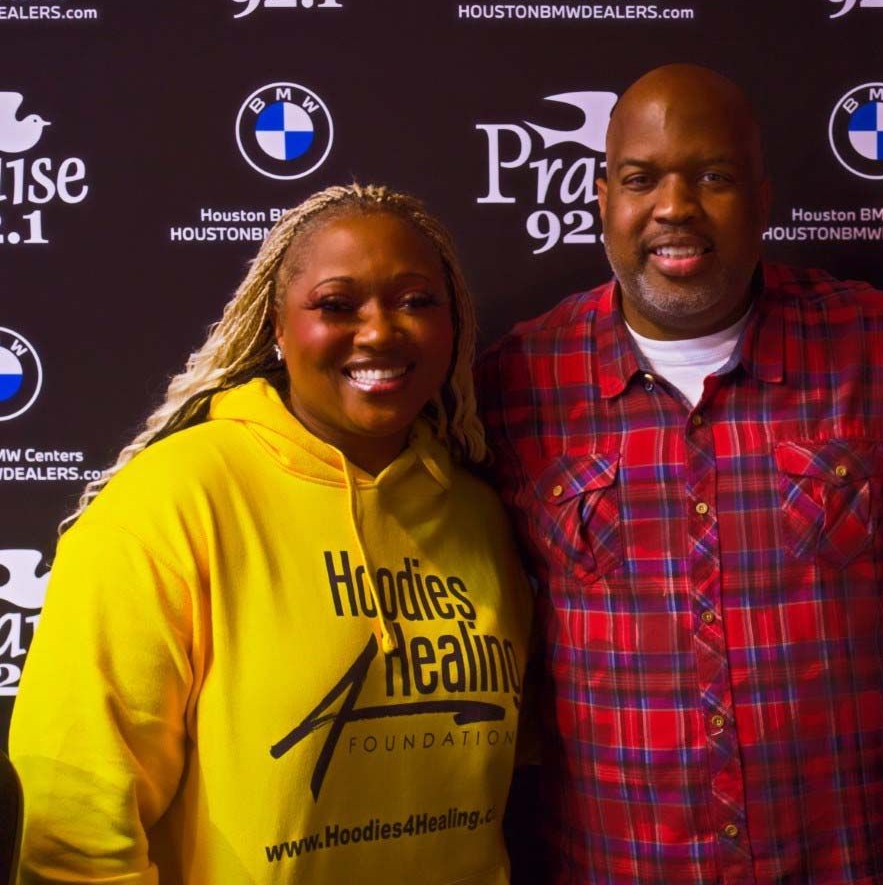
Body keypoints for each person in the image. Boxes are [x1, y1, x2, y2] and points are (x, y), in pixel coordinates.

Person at [479, 63, 883, 883]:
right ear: (600, 197)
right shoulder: (518, 383)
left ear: (764, 201)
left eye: (713, 177)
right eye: (640, 179)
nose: (674, 207)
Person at [10, 186, 531, 885]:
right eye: (337, 305)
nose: (379, 332)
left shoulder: (477, 514)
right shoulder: (171, 501)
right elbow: (73, 821)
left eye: (415, 301)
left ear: (455, 323)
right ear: (278, 328)